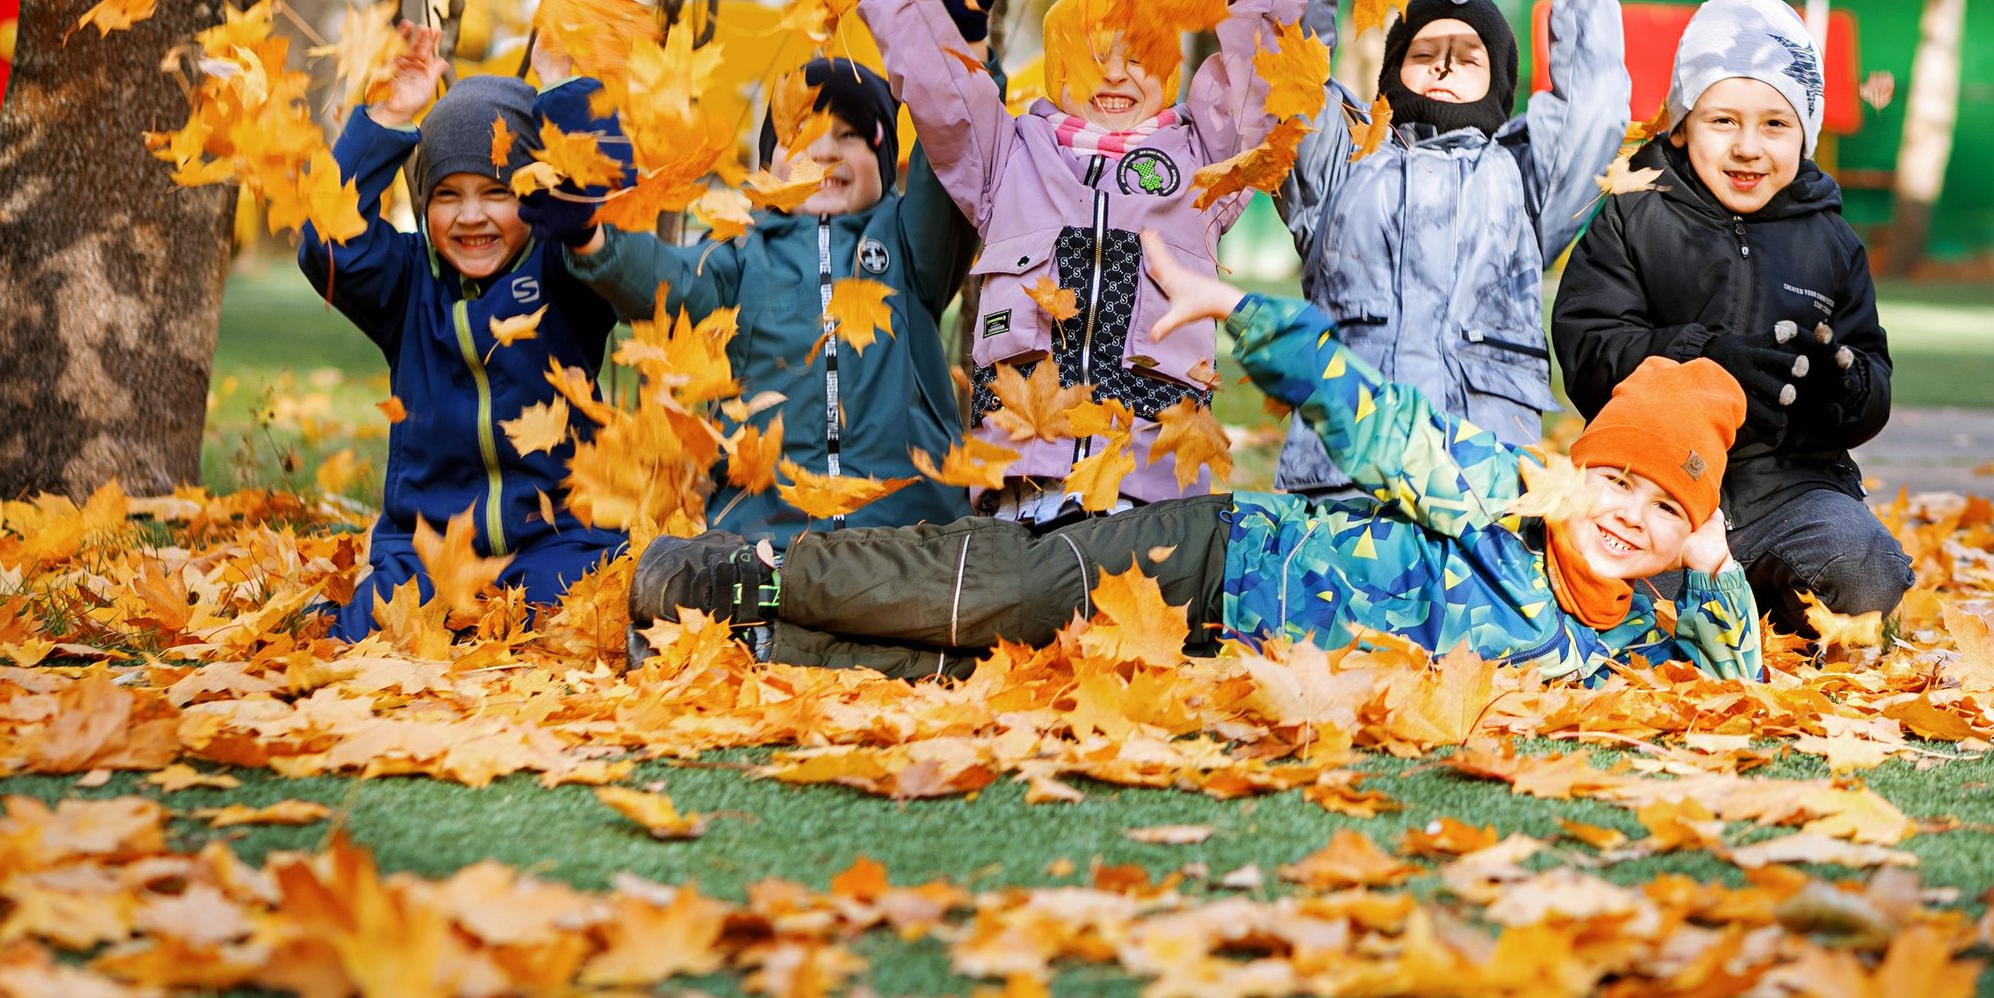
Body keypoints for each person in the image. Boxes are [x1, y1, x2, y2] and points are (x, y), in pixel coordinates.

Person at [630, 231, 1761, 684]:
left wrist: (1711, 557)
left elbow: (1734, 680)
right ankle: (731, 572)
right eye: (1618, 478)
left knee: (1012, 677)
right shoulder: (1505, 491)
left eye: (1664, 509)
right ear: (1579, 462)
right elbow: (1369, 414)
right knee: (1009, 590)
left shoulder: (1619, 644)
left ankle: (762, 639)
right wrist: (1239, 309)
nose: (1628, 515)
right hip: (1220, 559)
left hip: (1238, 672)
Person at [842, 0, 1302, 520]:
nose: (1115, 73)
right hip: (1026, 480)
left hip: (1151, 489)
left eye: (1138, 55)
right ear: (1060, 67)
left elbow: (1263, 75)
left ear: (1167, 65)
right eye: (1093, 57)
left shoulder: (1202, 160)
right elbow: (938, 82)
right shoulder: (1008, 157)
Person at [1550, 0, 1909, 636]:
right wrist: (1701, 357)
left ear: (1806, 134)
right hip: (1658, 493)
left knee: (1869, 576)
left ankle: (1754, 597)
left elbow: (1873, 376)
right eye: (1723, 121)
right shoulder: (1637, 211)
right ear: (1682, 126)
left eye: (1775, 124)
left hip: (1792, 486)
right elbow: (1588, 345)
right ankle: (1705, 600)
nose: (1748, 147)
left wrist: (1846, 386)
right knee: (1596, 599)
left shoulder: (1830, 240)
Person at [1276, 0, 1631, 497]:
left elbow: (1589, 115)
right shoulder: (1343, 161)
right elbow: (1292, 76)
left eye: (1469, 58)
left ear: (1496, 85)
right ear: (1393, 73)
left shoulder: (1522, 179)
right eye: (1425, 53)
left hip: (1479, 480)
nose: (1444, 65)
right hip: (1343, 475)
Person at [563, 55, 975, 545]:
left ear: (885, 161)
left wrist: (960, 47)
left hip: (912, 529)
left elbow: (951, 160)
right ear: (766, 164)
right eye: (798, 134)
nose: (822, 151)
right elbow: (669, 280)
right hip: (766, 534)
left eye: (848, 135)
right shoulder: (738, 256)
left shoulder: (911, 246)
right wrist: (593, 240)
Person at [299, 24, 625, 640]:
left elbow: (602, 209)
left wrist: (564, 94)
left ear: (531, 194)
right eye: (448, 195)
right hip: (427, 554)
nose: (471, 216)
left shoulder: (569, 272)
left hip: (559, 542)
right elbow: (326, 245)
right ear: (424, 206)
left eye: (496, 193)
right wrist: (389, 117)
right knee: (369, 632)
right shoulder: (406, 283)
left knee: (582, 627)